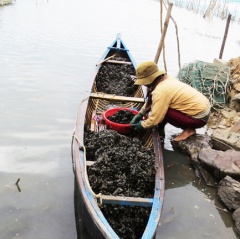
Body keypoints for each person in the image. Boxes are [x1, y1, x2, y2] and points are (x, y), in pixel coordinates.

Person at [130, 61, 211, 141]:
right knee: (161, 106)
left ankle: (188, 130)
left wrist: (142, 125)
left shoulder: (160, 90)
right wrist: (141, 113)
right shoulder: (165, 78)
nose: (143, 84)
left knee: (161, 110)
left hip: (199, 118)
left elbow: (155, 117)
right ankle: (161, 130)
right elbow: (152, 101)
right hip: (203, 109)